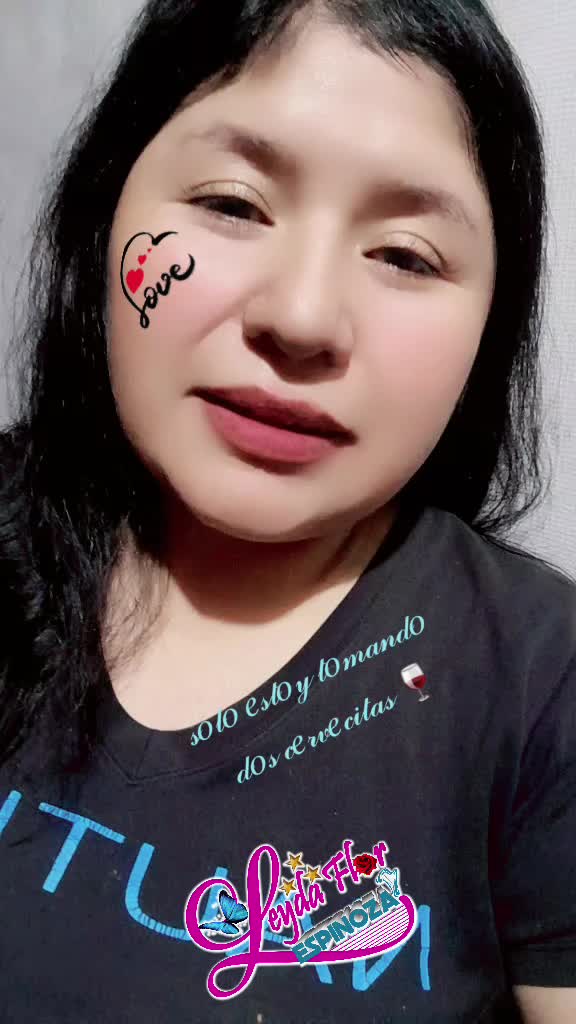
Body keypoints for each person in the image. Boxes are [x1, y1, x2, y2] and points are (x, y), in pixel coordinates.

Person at [0, 0, 575, 1020]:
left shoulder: (542, 682)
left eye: (405, 255)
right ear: (105, 213)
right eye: (233, 203)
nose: (302, 318)